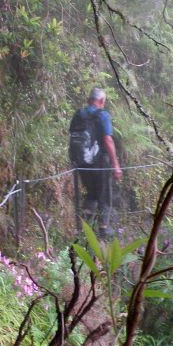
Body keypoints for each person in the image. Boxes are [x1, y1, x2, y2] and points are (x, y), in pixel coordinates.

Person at [70, 88, 122, 239]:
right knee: (104, 194)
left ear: (88, 100)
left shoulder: (78, 115)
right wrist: (116, 165)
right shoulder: (103, 115)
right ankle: (103, 230)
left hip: (82, 162)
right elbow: (108, 140)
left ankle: (85, 227)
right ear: (101, 101)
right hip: (99, 162)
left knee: (91, 193)